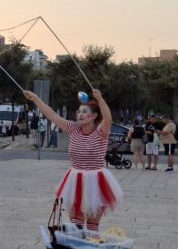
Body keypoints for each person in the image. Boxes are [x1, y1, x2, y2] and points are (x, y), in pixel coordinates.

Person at [24, 89, 122, 231]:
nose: (80, 114)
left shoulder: (101, 131)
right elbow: (51, 114)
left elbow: (108, 119)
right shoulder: (73, 128)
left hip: (97, 180)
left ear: (94, 115)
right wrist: (34, 98)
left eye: (84, 111)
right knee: (76, 225)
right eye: (79, 111)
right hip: (75, 179)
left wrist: (100, 99)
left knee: (92, 227)